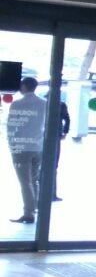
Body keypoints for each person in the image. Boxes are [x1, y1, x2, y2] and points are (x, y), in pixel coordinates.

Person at [7, 77, 48, 224]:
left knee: (25, 182)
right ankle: (34, 208)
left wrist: (11, 144)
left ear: (24, 86)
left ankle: (28, 213)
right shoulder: (44, 103)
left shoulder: (17, 104)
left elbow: (11, 126)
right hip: (38, 147)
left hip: (21, 148)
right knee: (34, 180)